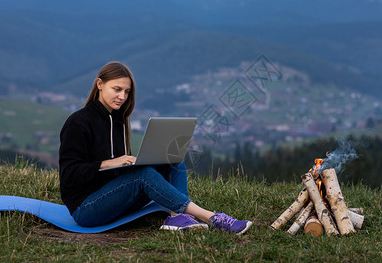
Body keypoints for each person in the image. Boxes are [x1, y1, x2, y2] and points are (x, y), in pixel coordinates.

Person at [59, 61, 252, 235]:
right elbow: (69, 175)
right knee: (143, 175)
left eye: (126, 92)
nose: (122, 96)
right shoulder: (78, 122)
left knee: (174, 159)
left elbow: (118, 176)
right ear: (100, 84)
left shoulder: (119, 121)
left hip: (114, 200)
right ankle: (212, 218)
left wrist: (131, 163)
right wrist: (108, 163)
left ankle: (177, 217)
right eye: (117, 89)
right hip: (86, 208)